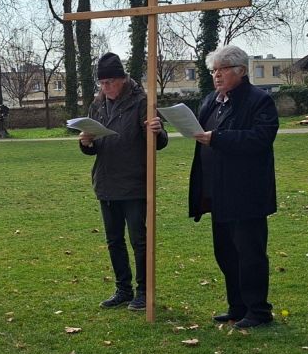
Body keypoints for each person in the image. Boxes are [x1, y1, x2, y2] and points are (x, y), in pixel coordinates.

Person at [152, 44, 277, 328]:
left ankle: (258, 310)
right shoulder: (211, 100)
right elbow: (198, 129)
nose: (216, 75)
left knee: (250, 254)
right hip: (216, 192)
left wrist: (217, 138)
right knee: (225, 253)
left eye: (223, 69)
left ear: (241, 71)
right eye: (213, 70)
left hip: (246, 193)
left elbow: (260, 138)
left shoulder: (259, 101)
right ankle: (237, 306)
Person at [78, 52, 167, 310]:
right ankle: (123, 289)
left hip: (134, 183)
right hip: (106, 182)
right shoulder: (97, 106)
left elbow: (159, 143)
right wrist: (86, 142)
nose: (106, 87)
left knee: (139, 240)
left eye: (110, 82)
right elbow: (94, 148)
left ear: (123, 79)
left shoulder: (142, 103)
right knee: (114, 240)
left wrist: (157, 132)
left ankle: (144, 291)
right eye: (102, 83)